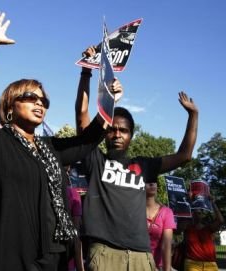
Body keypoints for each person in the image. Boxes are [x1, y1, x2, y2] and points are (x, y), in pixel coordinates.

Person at [0, 11, 122, 271]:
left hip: (53, 256)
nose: (40, 103)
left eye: (44, 101)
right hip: (8, 257)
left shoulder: (49, 149)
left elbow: (87, 141)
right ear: (10, 104)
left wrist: (109, 98)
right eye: (31, 97)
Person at [75, 47, 198, 271]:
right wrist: (86, 71)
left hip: (142, 256)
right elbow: (81, 115)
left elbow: (184, 156)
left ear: (131, 135)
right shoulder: (95, 160)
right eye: (112, 130)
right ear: (104, 133)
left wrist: (193, 115)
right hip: (105, 254)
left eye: (123, 130)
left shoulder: (144, 165)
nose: (117, 134)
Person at [183, 196, 224, 271]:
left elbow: (220, 221)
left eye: (201, 211)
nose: (199, 212)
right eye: (196, 211)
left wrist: (213, 203)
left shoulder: (209, 228)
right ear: (192, 212)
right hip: (192, 264)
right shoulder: (187, 227)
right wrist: (189, 201)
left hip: (210, 264)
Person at [146, 182, 176, 271]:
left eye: (154, 181)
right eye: (147, 181)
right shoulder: (134, 209)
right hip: (137, 263)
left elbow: (166, 245)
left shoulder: (167, 212)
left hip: (158, 266)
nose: (152, 184)